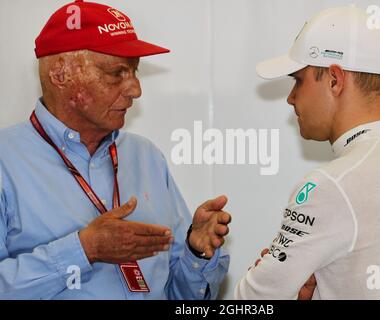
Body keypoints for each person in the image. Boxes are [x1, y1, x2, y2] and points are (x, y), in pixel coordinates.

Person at [0, 0, 231, 299]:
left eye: (135, 72)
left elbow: (180, 296)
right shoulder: (6, 161)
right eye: (117, 73)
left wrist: (196, 253)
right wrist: (84, 250)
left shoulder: (146, 157)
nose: (135, 89)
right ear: (61, 75)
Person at [235, 5, 380, 299]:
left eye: (298, 80)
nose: (291, 97)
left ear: (335, 80)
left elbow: (248, 302)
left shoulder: (330, 186)